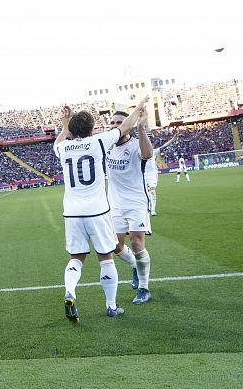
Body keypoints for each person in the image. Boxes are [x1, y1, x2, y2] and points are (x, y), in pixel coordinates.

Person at [52, 96, 149, 321]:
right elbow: (126, 125)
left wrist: (64, 123)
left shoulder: (63, 148)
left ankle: (70, 292)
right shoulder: (99, 142)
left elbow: (58, 142)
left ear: (72, 130)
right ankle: (111, 305)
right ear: (92, 128)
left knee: (75, 259)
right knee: (106, 258)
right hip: (97, 211)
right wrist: (138, 108)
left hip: (72, 213)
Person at [106, 109, 153, 305]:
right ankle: (135, 265)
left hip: (136, 201)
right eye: (113, 122)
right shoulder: (107, 145)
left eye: (120, 122)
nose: (115, 125)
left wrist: (141, 126)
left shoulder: (135, 145)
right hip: (114, 204)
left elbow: (148, 153)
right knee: (115, 246)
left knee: (136, 242)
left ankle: (144, 287)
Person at [144, 131, 178, 216]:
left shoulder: (154, 152)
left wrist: (173, 139)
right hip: (143, 175)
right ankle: (147, 208)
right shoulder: (140, 152)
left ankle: (153, 210)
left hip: (152, 174)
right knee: (145, 193)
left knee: (152, 191)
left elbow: (164, 146)